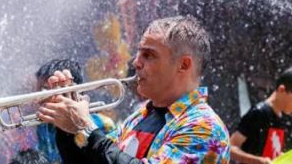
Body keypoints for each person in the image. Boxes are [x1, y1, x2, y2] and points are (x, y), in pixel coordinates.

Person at [38, 16, 230, 164]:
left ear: (184, 64)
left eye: (148, 55)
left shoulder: (204, 126)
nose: (135, 62)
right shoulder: (140, 116)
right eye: (138, 53)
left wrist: (86, 126)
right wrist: (66, 130)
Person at [35, 59, 114, 164]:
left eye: (45, 89)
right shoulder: (44, 126)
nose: (38, 99)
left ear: (69, 90)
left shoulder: (103, 124)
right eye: (38, 90)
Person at [230, 67, 292, 163]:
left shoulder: (282, 118)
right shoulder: (259, 113)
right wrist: (257, 161)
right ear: (282, 90)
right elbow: (231, 147)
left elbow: (271, 153)